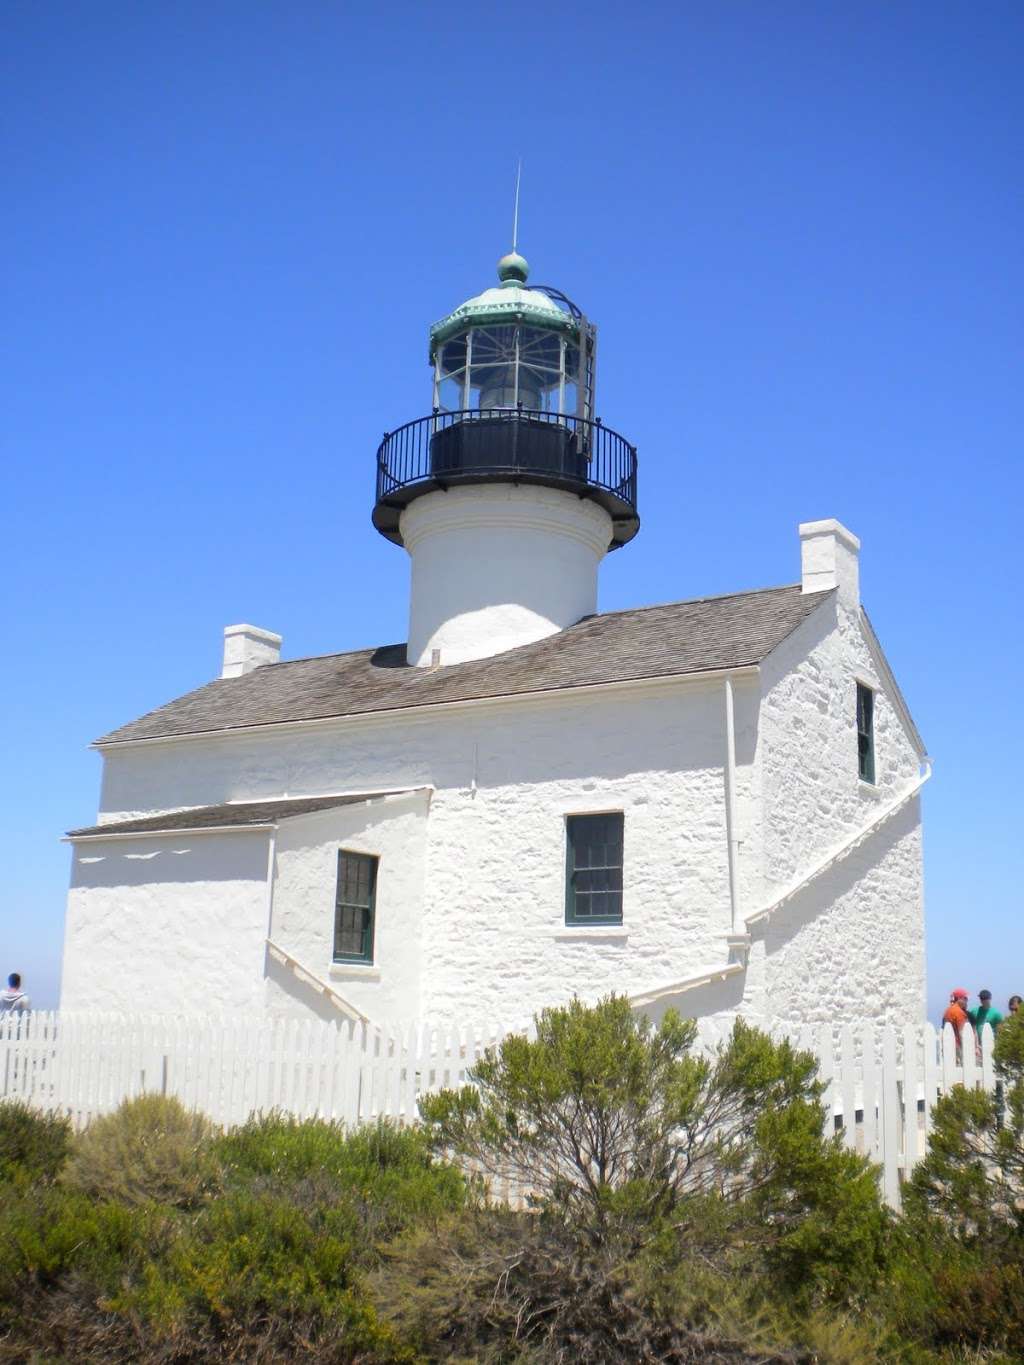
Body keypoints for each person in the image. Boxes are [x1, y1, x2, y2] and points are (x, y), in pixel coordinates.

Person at [942, 988, 970, 1060]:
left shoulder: (947, 1010)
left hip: (947, 1044)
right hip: (957, 1046)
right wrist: (966, 1049)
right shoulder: (959, 1012)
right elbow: (962, 1033)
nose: (967, 1001)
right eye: (965, 998)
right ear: (959, 999)